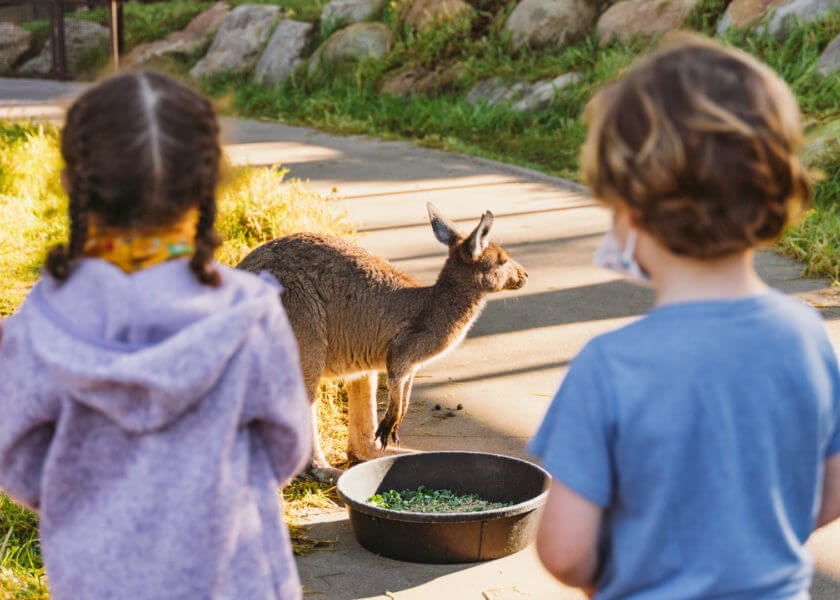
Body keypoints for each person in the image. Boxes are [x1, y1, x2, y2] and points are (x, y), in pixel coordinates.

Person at [528, 33, 840, 599]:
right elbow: (834, 488)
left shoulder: (609, 367)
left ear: (630, 212)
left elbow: (566, 548)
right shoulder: (805, 337)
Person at [0, 72, 311, 599]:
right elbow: (288, 445)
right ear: (207, 184)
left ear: (75, 183)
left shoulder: (42, 322)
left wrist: (76, 497)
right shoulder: (250, 314)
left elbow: (16, 459)